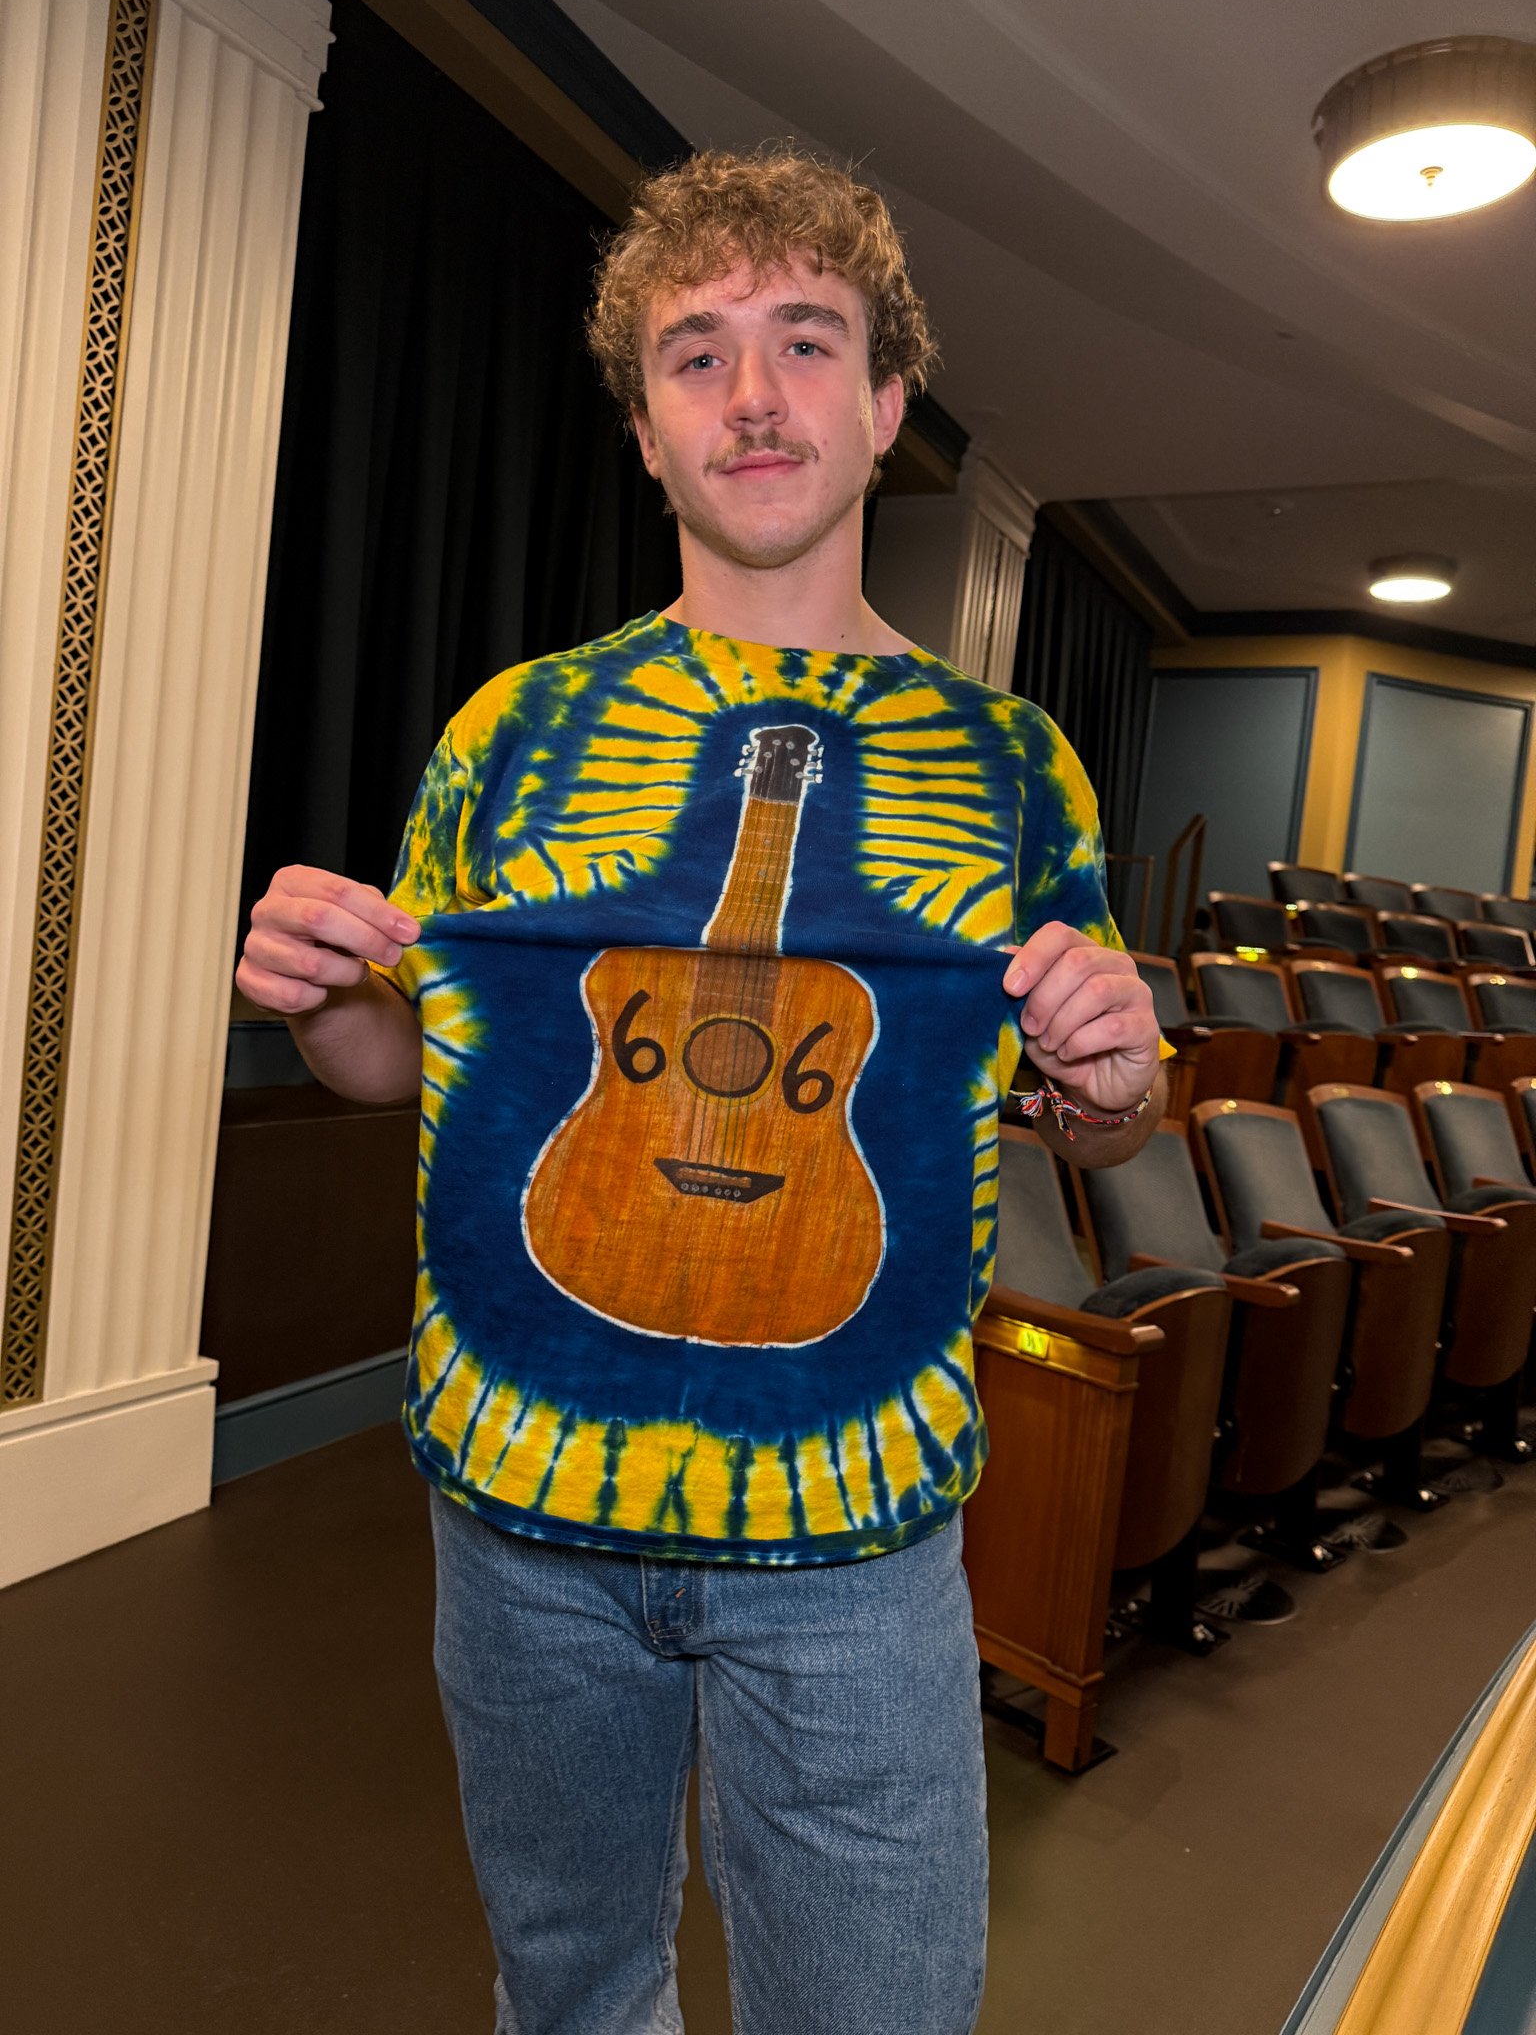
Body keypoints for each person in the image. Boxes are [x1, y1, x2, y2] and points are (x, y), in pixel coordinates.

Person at [238, 145, 1164, 2035]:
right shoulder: (512, 729)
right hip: (514, 1524)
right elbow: (406, 1066)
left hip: (859, 1545)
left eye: (805, 342)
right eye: (696, 355)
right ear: (646, 435)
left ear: (887, 407)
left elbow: (1088, 1115)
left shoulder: (1018, 766)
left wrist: (1113, 1068)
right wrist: (325, 993)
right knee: (567, 1988)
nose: (753, 393)